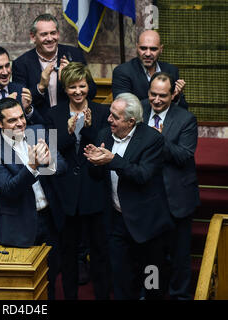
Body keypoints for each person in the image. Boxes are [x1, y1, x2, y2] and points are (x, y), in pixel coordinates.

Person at [84, 93, 174, 300]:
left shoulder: (152, 139)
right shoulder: (104, 135)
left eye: (115, 117)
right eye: (110, 115)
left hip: (148, 224)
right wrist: (94, 162)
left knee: (152, 280)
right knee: (121, 277)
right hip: (117, 221)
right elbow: (97, 177)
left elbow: (142, 175)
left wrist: (112, 160)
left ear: (131, 121)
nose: (109, 120)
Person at [0, 97, 67, 299]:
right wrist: (31, 167)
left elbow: (62, 165)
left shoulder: (38, 131)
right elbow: (8, 190)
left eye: (21, 117)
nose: (20, 123)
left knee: (51, 276)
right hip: (19, 224)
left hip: (49, 219)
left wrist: (48, 163)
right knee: (22, 285)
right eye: (12, 120)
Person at [44, 62, 111, 299]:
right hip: (67, 195)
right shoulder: (53, 114)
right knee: (68, 254)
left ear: (88, 86)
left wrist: (89, 129)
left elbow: (103, 149)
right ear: (65, 88)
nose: (78, 91)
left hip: (94, 191)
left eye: (82, 86)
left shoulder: (103, 112)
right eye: (72, 87)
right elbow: (52, 153)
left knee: (100, 252)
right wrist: (70, 132)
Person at [141, 72, 200, 300]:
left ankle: (180, 295)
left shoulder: (185, 119)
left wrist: (157, 139)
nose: (157, 100)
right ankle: (152, 293)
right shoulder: (139, 112)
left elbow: (184, 155)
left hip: (177, 199)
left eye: (163, 96)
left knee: (179, 256)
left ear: (172, 94)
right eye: (153, 94)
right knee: (150, 257)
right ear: (148, 92)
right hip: (147, 199)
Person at [12, 13, 96, 118]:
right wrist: (40, 87)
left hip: (72, 118)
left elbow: (92, 91)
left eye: (53, 33)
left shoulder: (74, 55)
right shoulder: (21, 64)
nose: (50, 38)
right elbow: (20, 101)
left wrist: (69, 79)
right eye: (44, 34)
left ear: (58, 34)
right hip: (41, 122)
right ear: (33, 37)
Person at [0, 45, 44, 135]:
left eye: (7, 65)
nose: (5, 72)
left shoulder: (19, 89)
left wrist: (28, 110)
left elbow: (40, 127)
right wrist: (4, 109)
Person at [112, 30, 188, 110]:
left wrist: (176, 96)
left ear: (161, 49)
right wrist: (164, 98)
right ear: (137, 47)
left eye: (153, 49)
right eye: (143, 48)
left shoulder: (171, 70)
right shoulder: (123, 72)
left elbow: (183, 109)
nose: (148, 53)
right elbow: (123, 108)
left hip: (168, 121)